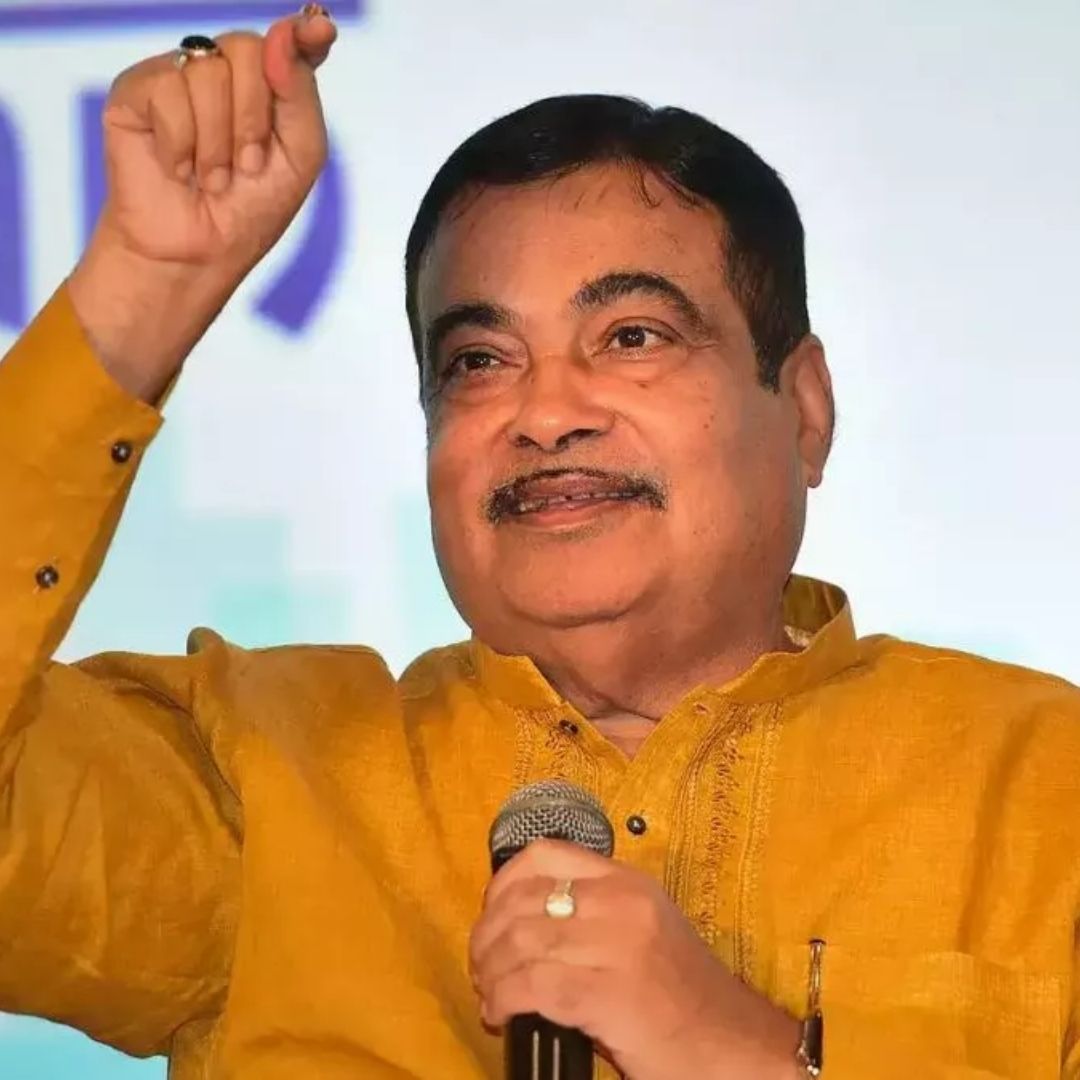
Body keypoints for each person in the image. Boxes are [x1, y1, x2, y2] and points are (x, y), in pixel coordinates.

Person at [1, 7, 1078, 1079]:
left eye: (633, 336)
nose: (547, 413)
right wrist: (145, 282)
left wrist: (738, 1054)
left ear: (803, 409)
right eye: (479, 361)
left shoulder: (1042, 786)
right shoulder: (263, 777)